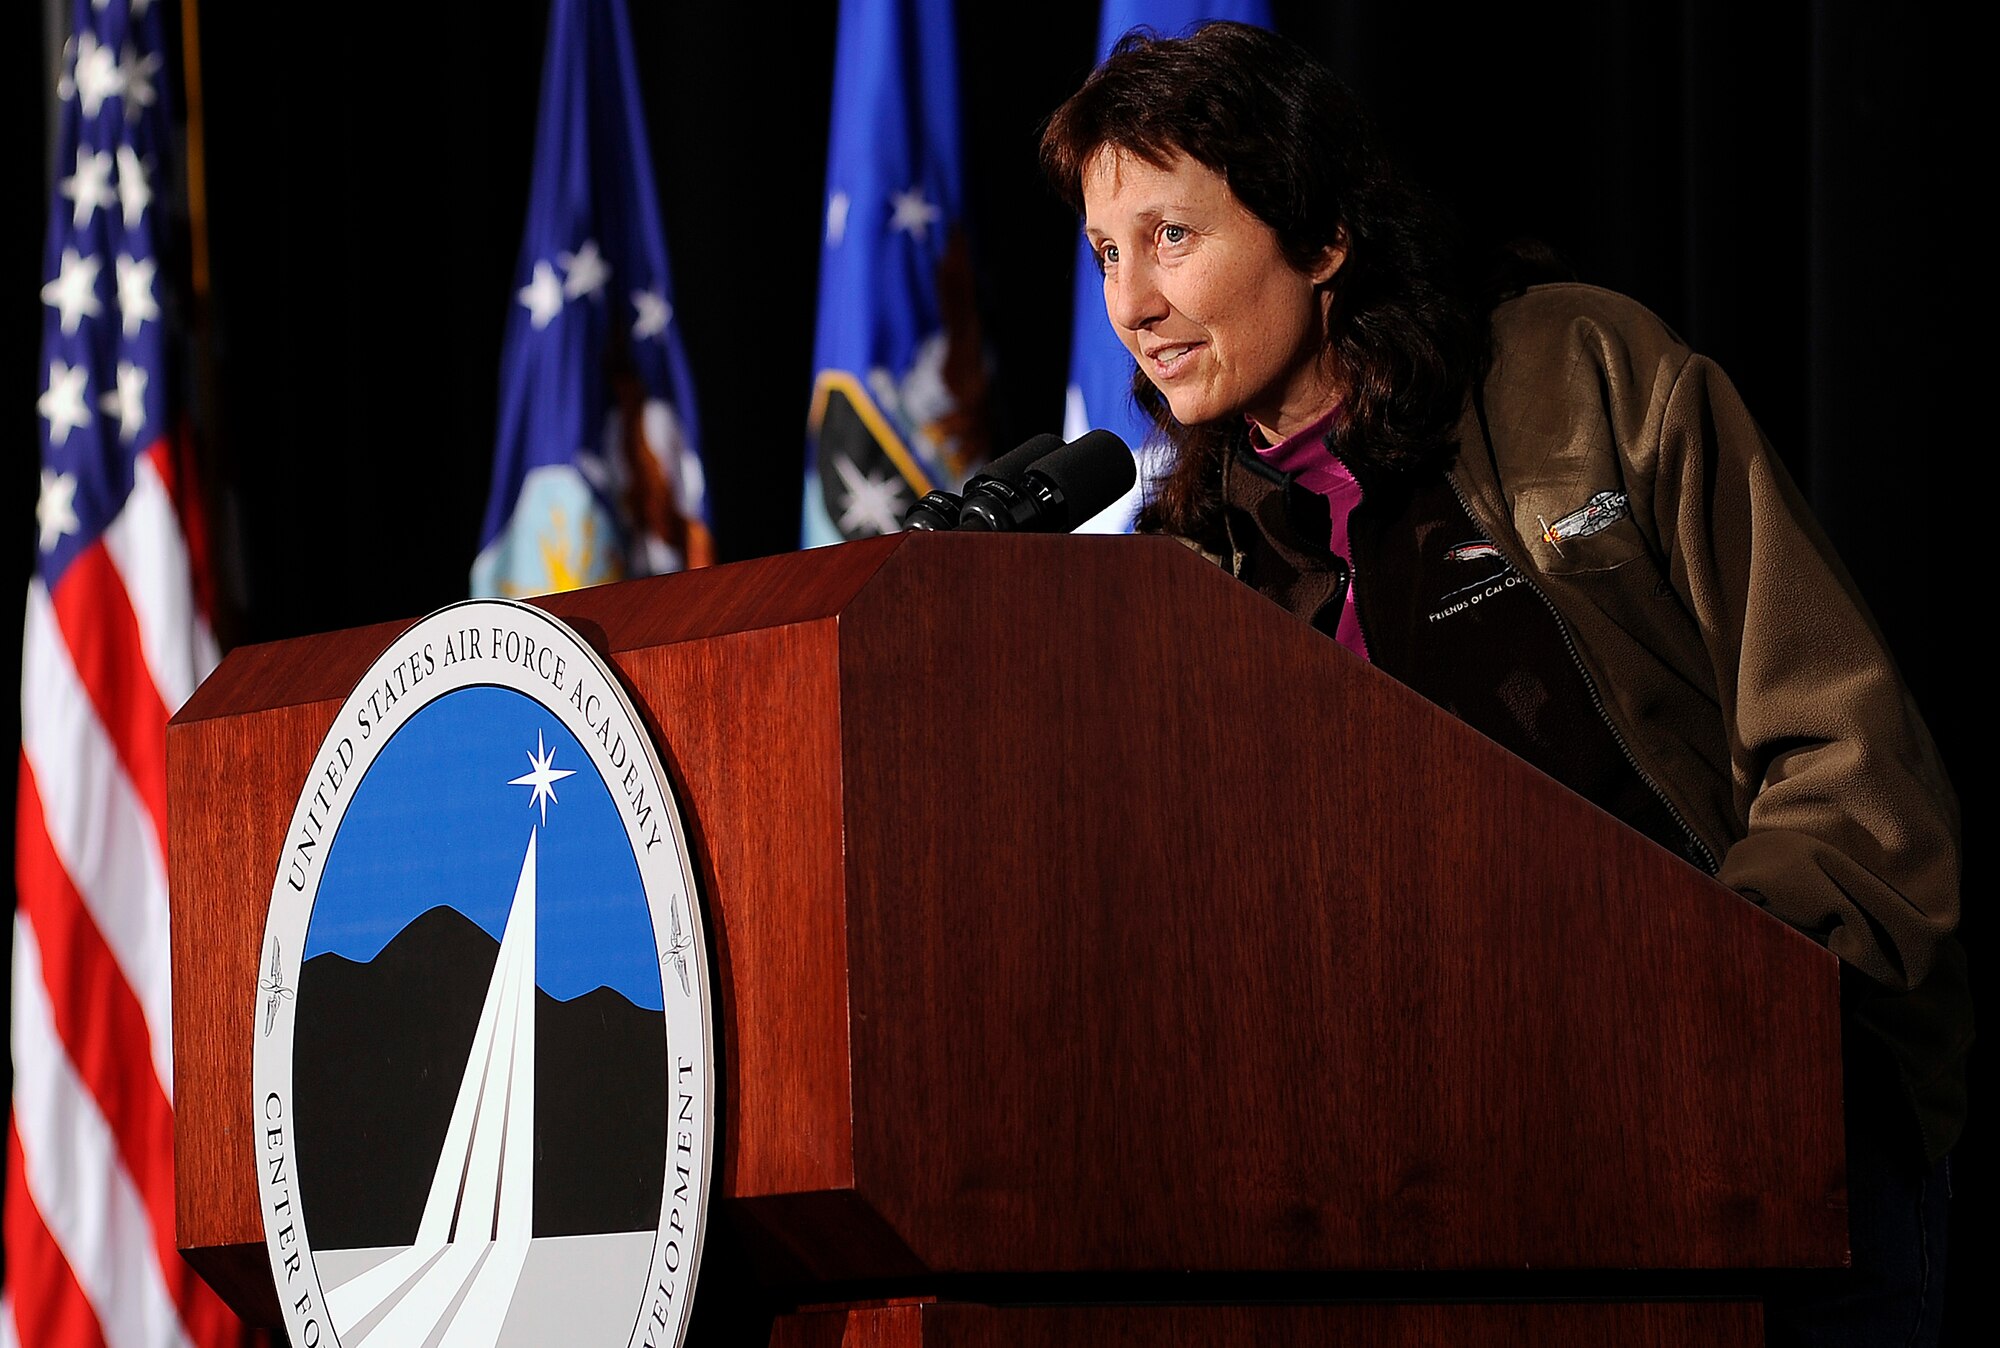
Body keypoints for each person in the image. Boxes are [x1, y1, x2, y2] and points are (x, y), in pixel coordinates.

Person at [1040, 21, 1966, 1347]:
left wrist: (1729, 1026)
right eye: (1105, 252)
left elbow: (1843, 752)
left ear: (1319, 235)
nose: (1130, 302)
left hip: (1774, 1149)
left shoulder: (1576, 375)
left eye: (1172, 236)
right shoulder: (1199, 572)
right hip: (1452, 1212)